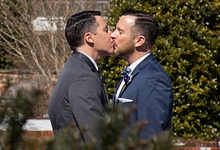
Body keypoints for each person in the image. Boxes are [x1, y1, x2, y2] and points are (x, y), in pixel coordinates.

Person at [48, 10, 114, 143]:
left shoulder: (75, 66)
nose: (112, 34)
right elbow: (96, 138)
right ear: (89, 38)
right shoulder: (84, 77)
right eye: (106, 30)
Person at [110, 9, 173, 140]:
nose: (112, 35)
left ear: (139, 41)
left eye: (120, 31)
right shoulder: (134, 72)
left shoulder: (154, 79)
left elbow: (149, 136)